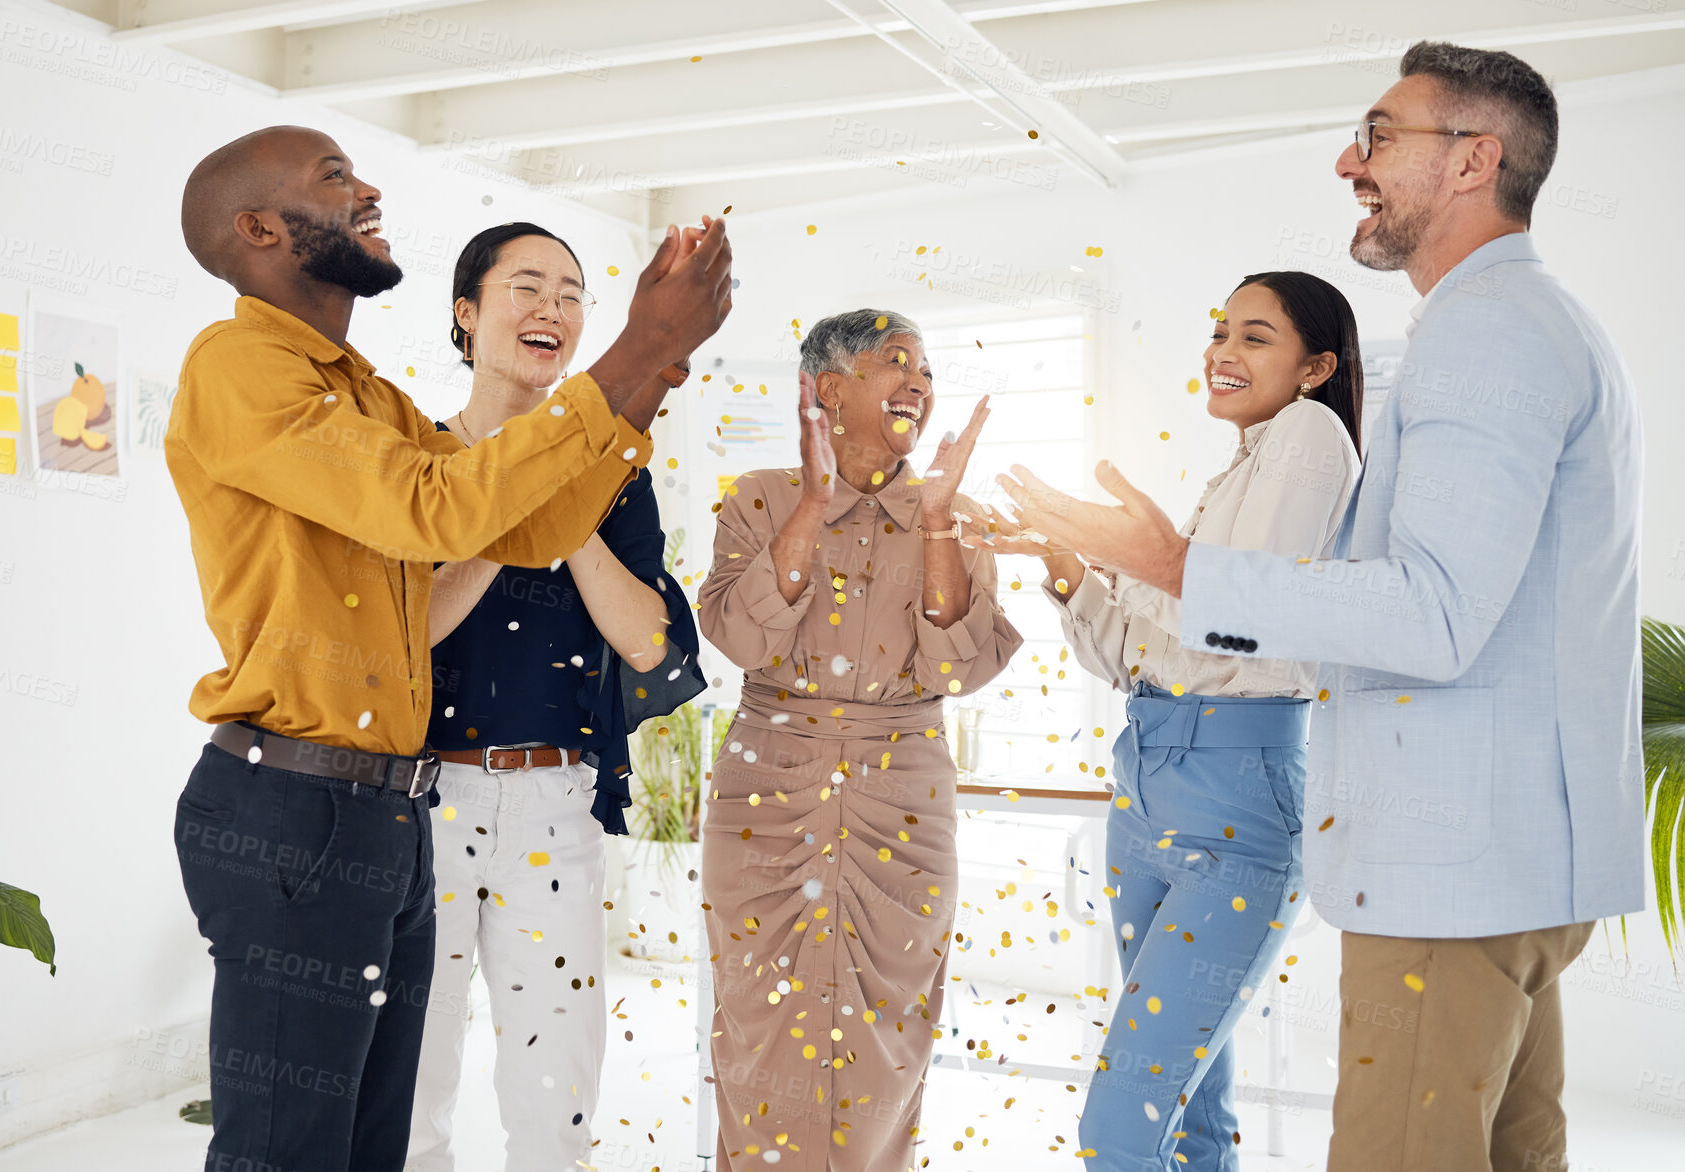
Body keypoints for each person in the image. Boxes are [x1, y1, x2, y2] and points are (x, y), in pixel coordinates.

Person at [1001, 42, 1644, 1172]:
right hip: (1499, 866)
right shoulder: (1518, 321)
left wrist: (1169, 561)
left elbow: (1432, 615)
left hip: (1449, 873)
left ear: (1471, 161)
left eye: (1380, 137)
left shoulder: (1485, 331)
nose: (1349, 158)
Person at [167, 124, 731, 1172]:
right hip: (293, 810)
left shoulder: (369, 397)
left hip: (382, 810)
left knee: (374, 1144)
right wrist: (621, 363)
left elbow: (515, 529)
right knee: (294, 1149)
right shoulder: (237, 364)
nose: (369, 186)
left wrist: (642, 378)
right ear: (258, 227)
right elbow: (437, 511)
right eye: (335, 177)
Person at [979, 272, 1362, 1169]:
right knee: (1192, 1106)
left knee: (1121, 1123)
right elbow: (1134, 660)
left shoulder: (1309, 435)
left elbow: (1240, 617)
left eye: (1255, 337)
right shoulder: (1240, 468)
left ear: (1317, 368)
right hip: (1147, 783)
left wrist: (1130, 556)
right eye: (1221, 330)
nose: (1223, 351)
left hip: (1233, 800)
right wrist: (1071, 566)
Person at [405, 221, 706, 1172]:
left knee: (557, 1083)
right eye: (527, 287)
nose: (554, 309)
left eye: (573, 293)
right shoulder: (412, 459)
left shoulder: (615, 474)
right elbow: (403, 637)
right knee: (410, 1078)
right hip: (421, 802)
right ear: (467, 314)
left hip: (553, 804)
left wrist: (565, 498)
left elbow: (650, 640)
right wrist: (507, 506)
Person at [695, 309, 1023, 1169]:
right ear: (827, 389)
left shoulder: (957, 510)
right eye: (895, 362)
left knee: (891, 1032)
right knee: (758, 1022)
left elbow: (958, 665)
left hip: (903, 791)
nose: (918, 381)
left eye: (925, 369)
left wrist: (942, 520)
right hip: (769, 780)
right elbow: (739, 638)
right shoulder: (759, 496)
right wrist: (813, 502)